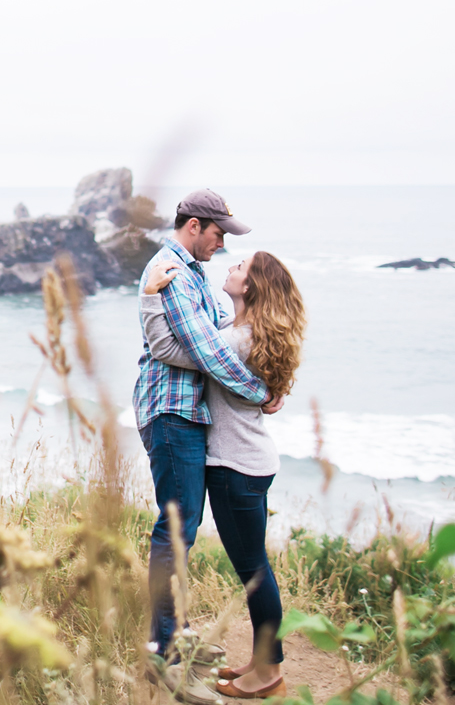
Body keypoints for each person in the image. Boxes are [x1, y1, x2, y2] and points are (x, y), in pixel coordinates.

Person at [143, 248, 308, 700]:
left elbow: (174, 350)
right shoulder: (241, 331)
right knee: (255, 566)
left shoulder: (237, 341)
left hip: (236, 467)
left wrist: (150, 299)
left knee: (254, 571)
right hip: (249, 463)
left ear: (251, 286)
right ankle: (261, 662)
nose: (231, 268)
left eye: (241, 268)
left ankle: (269, 671)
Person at [133, 189, 281, 668]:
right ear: (194, 225)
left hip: (187, 412)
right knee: (176, 528)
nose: (222, 246)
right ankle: (163, 645)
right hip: (171, 410)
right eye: (218, 234)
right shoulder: (170, 270)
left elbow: (216, 336)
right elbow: (208, 353)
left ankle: (176, 631)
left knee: (185, 528)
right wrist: (261, 394)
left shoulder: (192, 271)